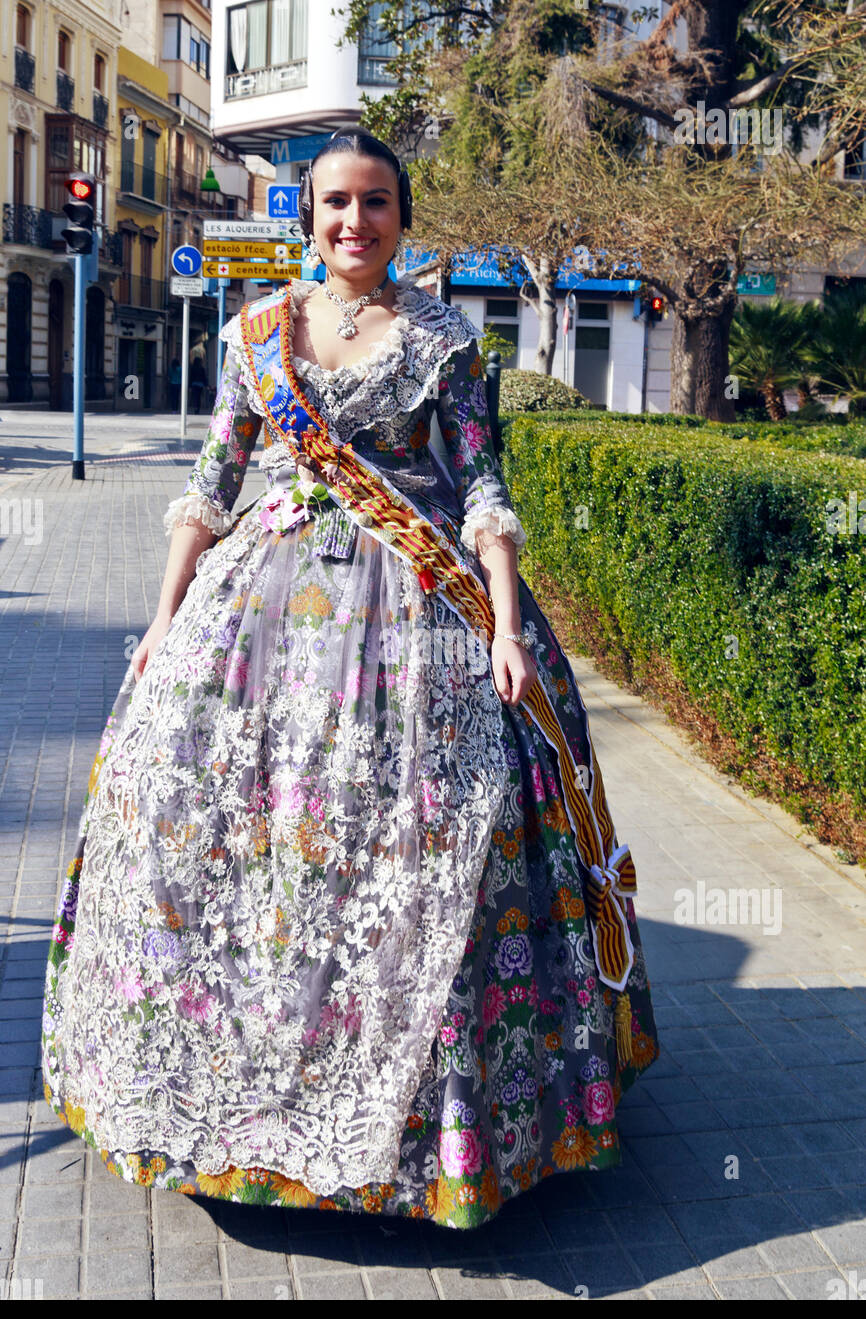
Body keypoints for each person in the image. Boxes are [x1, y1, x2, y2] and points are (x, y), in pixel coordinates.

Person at [40, 126, 658, 1229]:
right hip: (254, 615)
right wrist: (161, 618)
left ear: (401, 217)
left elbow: (482, 497)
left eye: (374, 202)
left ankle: (438, 1131)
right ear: (306, 214)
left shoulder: (444, 342)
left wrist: (508, 633)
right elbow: (212, 477)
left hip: (417, 619)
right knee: (189, 812)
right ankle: (214, 1102)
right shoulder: (255, 335)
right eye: (333, 202)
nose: (352, 222)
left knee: (429, 838)